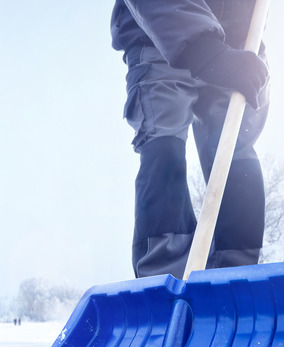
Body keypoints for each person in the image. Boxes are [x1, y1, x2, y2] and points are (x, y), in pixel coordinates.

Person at [111, 0, 270, 279]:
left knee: (235, 149)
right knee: (164, 141)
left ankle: (235, 276)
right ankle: (165, 276)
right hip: (159, 37)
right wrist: (204, 51)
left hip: (240, 45)